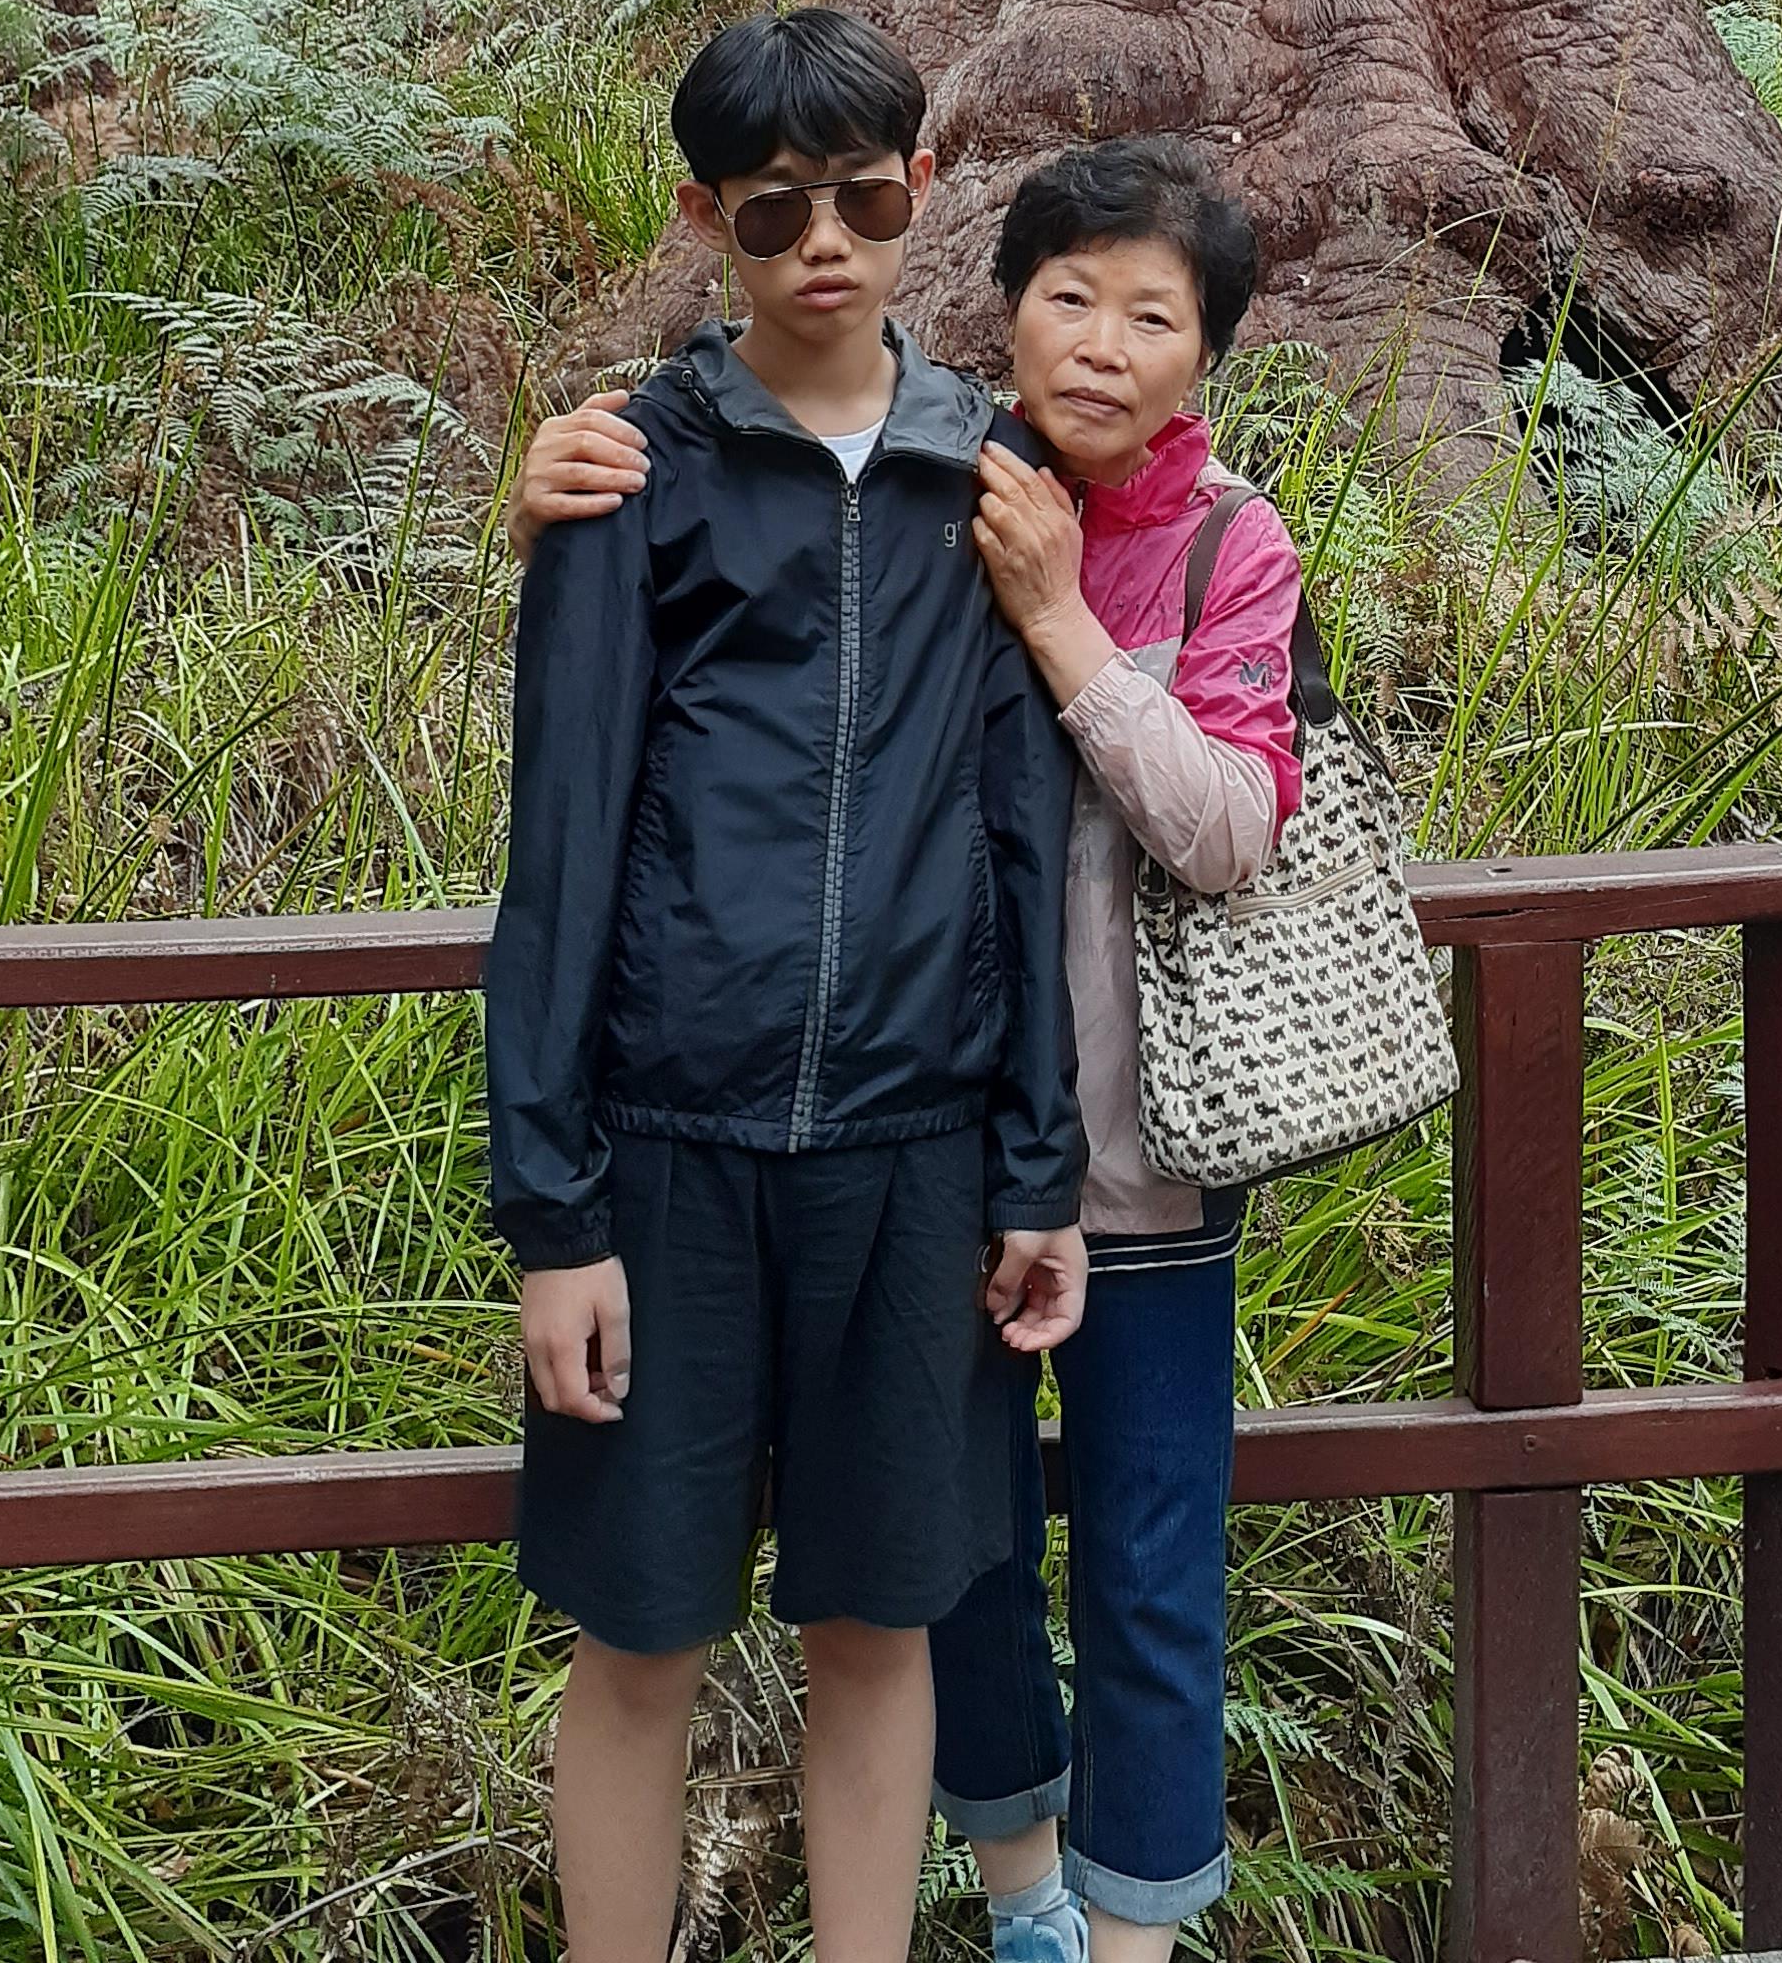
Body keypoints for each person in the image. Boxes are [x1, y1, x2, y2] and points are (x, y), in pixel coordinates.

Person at [513, 131, 1302, 1963]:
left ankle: (1127, 1941)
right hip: (906, 1150)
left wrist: (1060, 619)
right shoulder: (924, 471)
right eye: (1070, 300)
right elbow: (617, 745)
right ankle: (1026, 1911)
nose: (1105, 345)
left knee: (1142, 1571)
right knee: (952, 1579)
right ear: (1006, 309)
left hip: (1127, 1155)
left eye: (1155, 316)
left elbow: (1218, 829)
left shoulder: (1186, 534)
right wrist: (544, 504)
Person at [486, 5, 1089, 1963]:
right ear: (705, 220)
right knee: (640, 1638)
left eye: (861, 199)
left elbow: (1022, 840)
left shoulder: (989, 475)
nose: (822, 242)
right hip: (667, 1155)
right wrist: (554, 1214)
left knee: (878, 1628)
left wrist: (1036, 1170)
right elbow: (561, 849)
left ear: (922, 190)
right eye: (771, 210)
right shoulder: (630, 473)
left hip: (915, 1159)